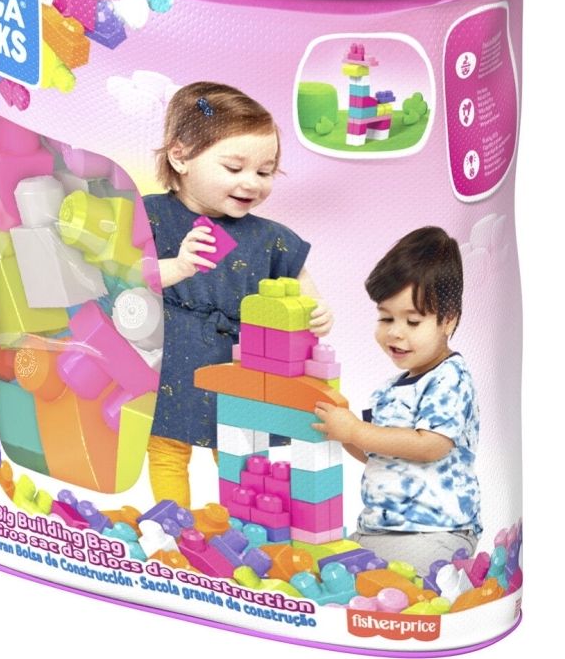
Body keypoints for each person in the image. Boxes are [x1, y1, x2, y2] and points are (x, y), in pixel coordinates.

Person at [144, 81, 333, 508]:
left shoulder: (269, 237)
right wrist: (178, 267)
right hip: (167, 360)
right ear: (180, 156)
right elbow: (123, 278)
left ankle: (244, 522)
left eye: (265, 172)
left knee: (240, 449)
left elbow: (300, 279)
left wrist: (316, 310)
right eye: (234, 168)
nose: (251, 184)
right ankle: (174, 524)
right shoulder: (149, 215)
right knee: (167, 449)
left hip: (240, 365)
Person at [312, 227, 480, 575]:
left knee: (400, 583)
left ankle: (455, 579)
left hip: (436, 532)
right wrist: (342, 428)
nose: (395, 332)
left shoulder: (450, 376)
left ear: (448, 319)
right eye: (386, 318)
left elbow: (431, 445)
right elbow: (374, 451)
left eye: (412, 321)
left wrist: (355, 430)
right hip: (376, 530)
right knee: (326, 572)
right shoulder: (389, 389)